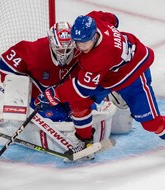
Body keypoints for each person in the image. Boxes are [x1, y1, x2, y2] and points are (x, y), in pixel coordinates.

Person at [40, 10, 161, 153]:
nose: (81, 47)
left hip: (133, 73)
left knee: (151, 124)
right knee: (78, 102)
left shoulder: (98, 58)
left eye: (85, 43)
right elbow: (113, 19)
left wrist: (56, 94)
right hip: (110, 73)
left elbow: (82, 88)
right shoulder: (94, 18)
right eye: (78, 43)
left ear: (94, 35)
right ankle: (85, 142)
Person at [0, 21, 117, 156]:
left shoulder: (84, 50)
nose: (64, 55)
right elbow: (6, 64)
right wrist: (18, 90)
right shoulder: (35, 50)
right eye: (60, 50)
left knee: (86, 112)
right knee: (57, 118)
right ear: (51, 43)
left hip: (71, 94)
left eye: (69, 49)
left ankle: (85, 143)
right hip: (44, 98)